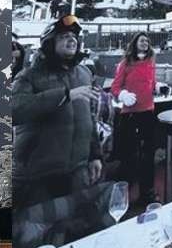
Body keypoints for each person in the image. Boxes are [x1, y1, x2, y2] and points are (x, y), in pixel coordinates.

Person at [11, 15, 103, 208]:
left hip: (77, 171)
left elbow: (89, 118)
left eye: (74, 36)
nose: (71, 40)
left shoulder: (84, 74)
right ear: (49, 43)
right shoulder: (29, 76)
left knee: (75, 227)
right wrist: (65, 95)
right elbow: (15, 110)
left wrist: (95, 155)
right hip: (39, 176)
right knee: (38, 232)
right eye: (63, 37)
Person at [109, 32, 158, 205]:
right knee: (129, 155)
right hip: (130, 115)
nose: (145, 43)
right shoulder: (125, 64)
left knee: (148, 154)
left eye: (147, 41)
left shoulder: (151, 63)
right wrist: (123, 94)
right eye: (141, 40)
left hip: (148, 112)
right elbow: (115, 88)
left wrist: (158, 87)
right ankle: (122, 196)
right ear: (135, 43)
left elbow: (151, 83)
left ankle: (147, 192)